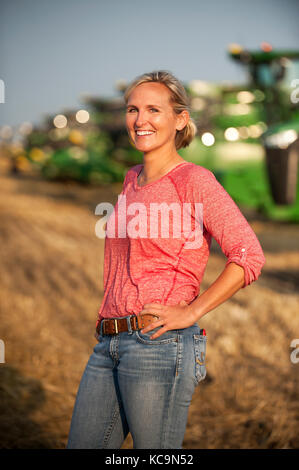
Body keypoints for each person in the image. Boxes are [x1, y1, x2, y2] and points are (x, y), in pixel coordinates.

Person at [66, 70, 266, 449]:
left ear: (180, 119)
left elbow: (248, 255)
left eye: (154, 110)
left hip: (158, 344)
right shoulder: (130, 179)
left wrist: (191, 312)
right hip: (109, 342)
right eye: (133, 109)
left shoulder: (194, 180)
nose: (141, 120)